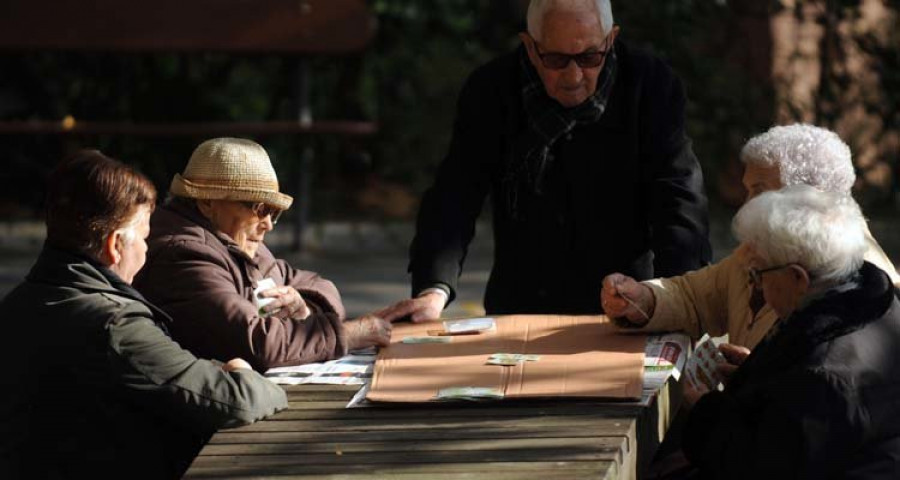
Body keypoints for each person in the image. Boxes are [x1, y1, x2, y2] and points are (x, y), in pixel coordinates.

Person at [382, 0, 711, 322]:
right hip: (522, 303)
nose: (573, 76)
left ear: (611, 40)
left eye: (589, 57)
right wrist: (432, 289)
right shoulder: (492, 89)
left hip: (627, 302)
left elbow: (678, 197)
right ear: (529, 46)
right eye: (555, 59)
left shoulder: (650, 84)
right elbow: (456, 194)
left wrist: (675, 300)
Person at [0, 151, 287, 479]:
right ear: (116, 245)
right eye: (145, 237)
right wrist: (242, 372)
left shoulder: (21, 301)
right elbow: (237, 401)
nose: (147, 249)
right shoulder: (113, 325)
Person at [602, 124, 900, 360]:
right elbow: (696, 296)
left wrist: (760, 380)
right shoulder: (770, 249)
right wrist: (643, 299)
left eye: (759, 192)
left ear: (809, 195)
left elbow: (833, 388)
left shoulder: (860, 282)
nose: (745, 207)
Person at [681, 185, 900, 478]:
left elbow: (759, 466)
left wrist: (703, 415)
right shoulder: (866, 304)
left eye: (758, 274)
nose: (755, 285)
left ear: (797, 278)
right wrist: (764, 377)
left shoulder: (823, 379)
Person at [134, 138, 392, 372]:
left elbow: (318, 285)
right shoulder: (184, 255)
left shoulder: (232, 237)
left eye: (274, 212)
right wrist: (350, 334)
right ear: (207, 202)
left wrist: (303, 306)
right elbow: (257, 343)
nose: (268, 223)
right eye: (260, 208)